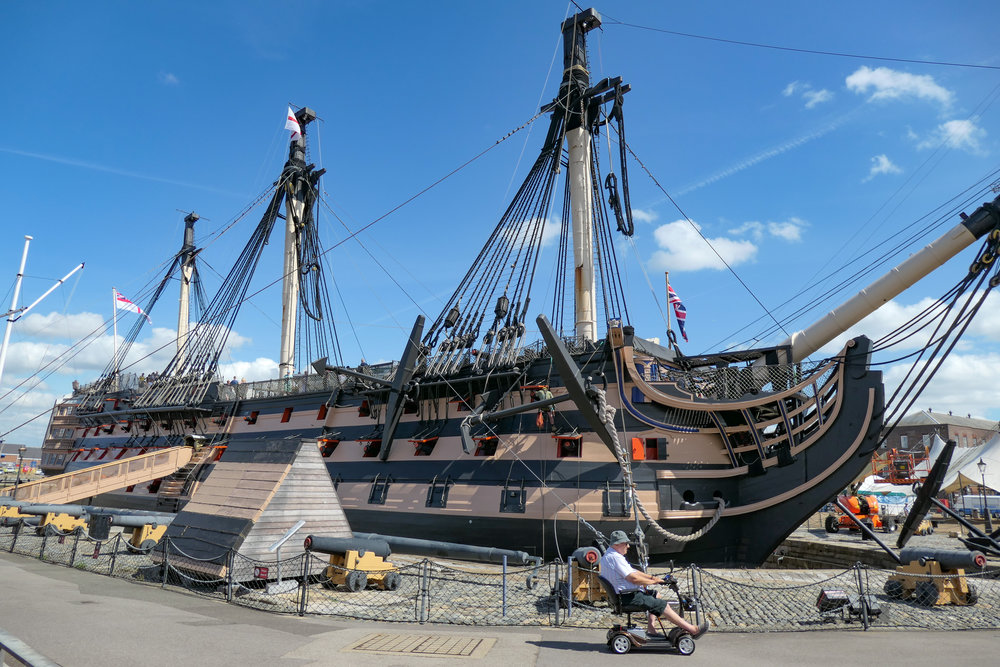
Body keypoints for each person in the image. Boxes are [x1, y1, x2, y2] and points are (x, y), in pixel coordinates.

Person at [599, 530, 707, 638]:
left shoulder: (610, 555)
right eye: (625, 544)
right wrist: (653, 582)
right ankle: (693, 630)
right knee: (663, 605)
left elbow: (633, 571)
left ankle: (651, 629)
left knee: (656, 595)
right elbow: (633, 578)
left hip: (623, 595)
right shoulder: (615, 558)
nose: (628, 546)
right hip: (628, 596)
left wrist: (653, 578)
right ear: (617, 544)